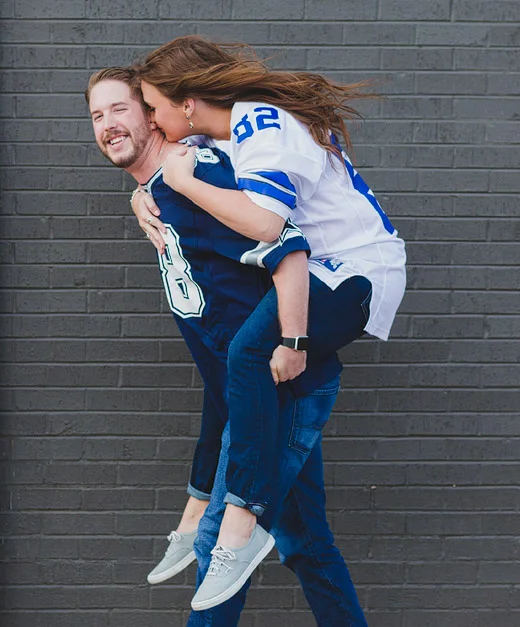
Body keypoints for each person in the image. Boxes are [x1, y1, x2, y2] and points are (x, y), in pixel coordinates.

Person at [131, 35, 407, 609]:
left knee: (249, 354)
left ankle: (240, 526)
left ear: (186, 102)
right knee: (307, 536)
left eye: (153, 107)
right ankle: (218, 519)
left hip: (356, 270)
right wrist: (146, 194)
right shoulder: (221, 128)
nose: (151, 121)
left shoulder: (260, 125)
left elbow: (264, 224)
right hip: (323, 272)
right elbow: (176, 166)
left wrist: (180, 183)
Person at [87, 68, 369, 625]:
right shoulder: (161, 194)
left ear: (152, 112)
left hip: (282, 386)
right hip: (254, 395)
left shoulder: (197, 179)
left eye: (120, 109)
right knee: (304, 544)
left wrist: (290, 343)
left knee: (223, 543)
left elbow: (288, 247)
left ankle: (207, 528)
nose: (108, 125)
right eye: (97, 116)